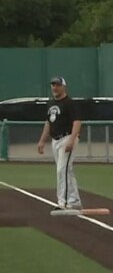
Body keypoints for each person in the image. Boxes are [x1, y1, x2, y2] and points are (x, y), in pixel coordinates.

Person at [36, 76, 83, 210]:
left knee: (62, 170)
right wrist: (42, 140)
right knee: (67, 170)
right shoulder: (51, 103)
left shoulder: (69, 103)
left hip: (67, 138)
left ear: (63, 86)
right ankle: (74, 200)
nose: (55, 88)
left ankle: (63, 202)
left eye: (57, 85)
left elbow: (77, 122)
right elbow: (48, 123)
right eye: (53, 85)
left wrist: (72, 140)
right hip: (55, 140)